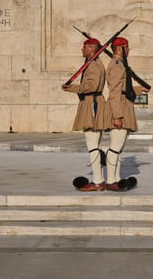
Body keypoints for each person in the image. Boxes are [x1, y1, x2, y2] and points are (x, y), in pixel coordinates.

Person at [104, 37, 150, 191]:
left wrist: (139, 89)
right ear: (119, 49)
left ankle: (116, 178)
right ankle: (110, 180)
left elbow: (125, 88)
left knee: (119, 147)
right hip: (120, 107)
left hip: (124, 105)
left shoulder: (121, 64)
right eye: (127, 47)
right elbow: (115, 92)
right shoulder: (117, 65)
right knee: (115, 146)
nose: (129, 50)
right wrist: (117, 116)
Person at [62, 38, 106, 191]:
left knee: (92, 145)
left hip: (91, 104)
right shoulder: (93, 64)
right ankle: (99, 178)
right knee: (94, 144)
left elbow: (91, 86)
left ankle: (98, 181)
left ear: (93, 49)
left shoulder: (94, 65)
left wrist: (72, 88)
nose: (82, 49)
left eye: (85, 47)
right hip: (91, 103)